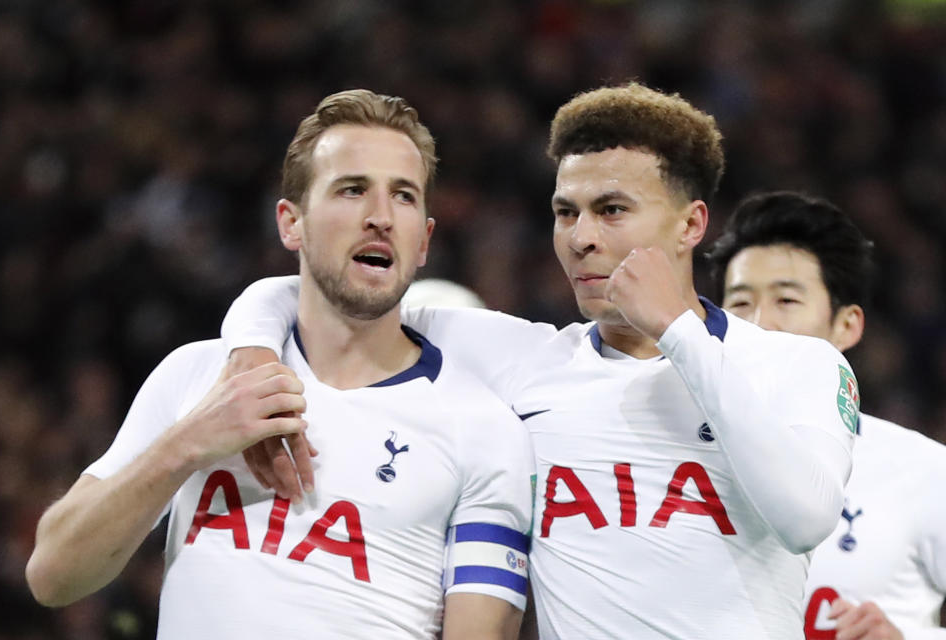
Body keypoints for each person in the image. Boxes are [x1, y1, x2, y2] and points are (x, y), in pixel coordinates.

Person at [221, 83, 857, 639]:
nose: (582, 238)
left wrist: (678, 332)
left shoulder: (796, 364)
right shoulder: (522, 361)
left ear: (691, 225)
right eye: (565, 213)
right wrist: (251, 351)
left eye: (611, 210)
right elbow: (322, 291)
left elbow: (805, 518)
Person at [25, 89, 535, 640]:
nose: (381, 217)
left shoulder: (484, 429)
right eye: (352, 189)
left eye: (404, 196)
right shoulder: (198, 375)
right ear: (291, 224)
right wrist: (189, 443)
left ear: (424, 241)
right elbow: (53, 576)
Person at [708, 190, 946, 640]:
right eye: (739, 303)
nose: (759, 325)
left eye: (787, 301)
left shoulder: (925, 471)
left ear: (847, 325)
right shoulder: (669, 458)